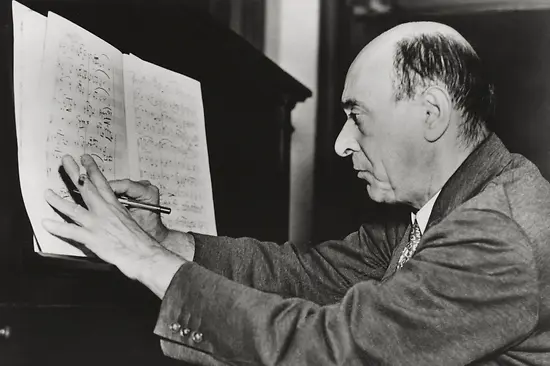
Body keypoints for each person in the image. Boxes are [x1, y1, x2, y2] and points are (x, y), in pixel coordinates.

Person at [41, 21, 550, 365]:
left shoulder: (496, 234)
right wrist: (165, 239)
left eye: (356, 117)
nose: (340, 143)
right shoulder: (434, 206)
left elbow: (333, 350)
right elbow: (305, 275)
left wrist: (143, 259)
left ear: (431, 114)